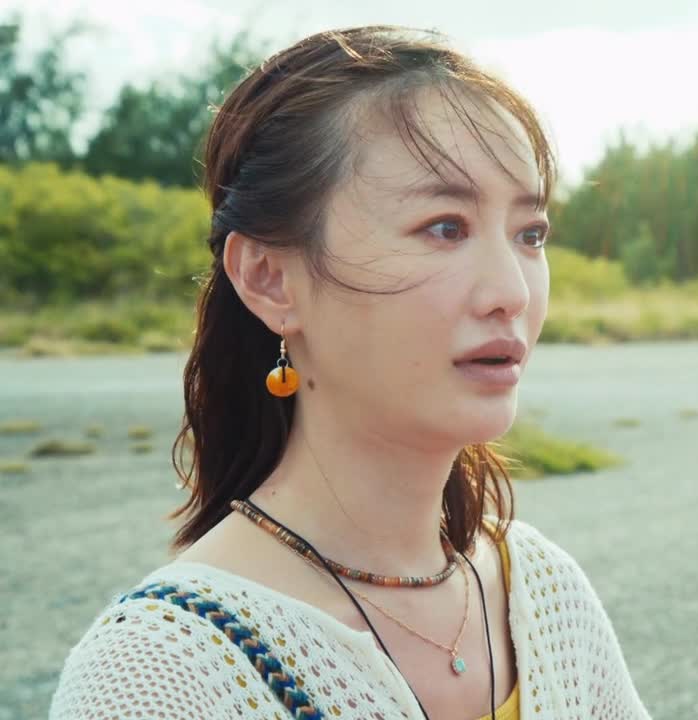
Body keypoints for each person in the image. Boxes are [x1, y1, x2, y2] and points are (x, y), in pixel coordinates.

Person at [48, 25, 651, 720]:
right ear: (270, 278)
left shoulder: (543, 597)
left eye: (530, 234)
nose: (512, 292)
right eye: (445, 227)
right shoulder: (159, 675)